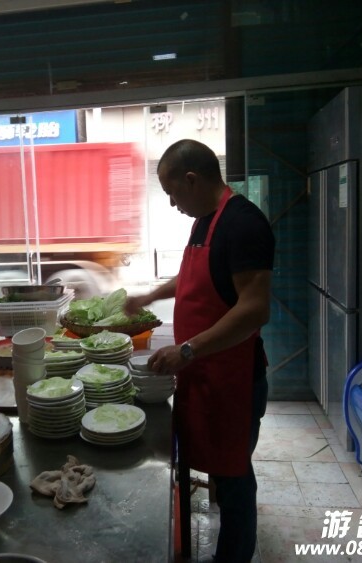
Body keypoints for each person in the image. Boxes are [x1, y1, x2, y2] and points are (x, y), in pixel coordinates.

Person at [125, 140, 274, 562]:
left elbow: (254, 309)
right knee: (219, 470)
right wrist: (151, 295)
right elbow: (195, 277)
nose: (172, 203)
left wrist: (187, 350)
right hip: (205, 376)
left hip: (234, 380)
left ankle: (234, 557)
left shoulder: (243, 224)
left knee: (234, 478)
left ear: (191, 180)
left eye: (172, 192)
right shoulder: (205, 222)